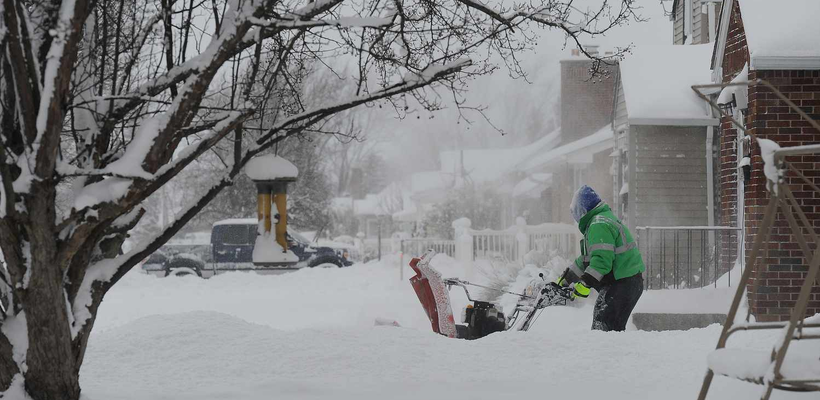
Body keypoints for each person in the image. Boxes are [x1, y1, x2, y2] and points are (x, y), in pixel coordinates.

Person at [556, 185, 645, 331]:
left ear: (582, 210)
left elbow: (602, 260)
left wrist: (585, 283)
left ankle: (608, 352)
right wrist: (566, 278)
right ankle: (611, 351)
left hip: (624, 283)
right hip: (624, 281)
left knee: (604, 326)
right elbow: (587, 259)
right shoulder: (598, 221)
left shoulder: (599, 224)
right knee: (607, 326)